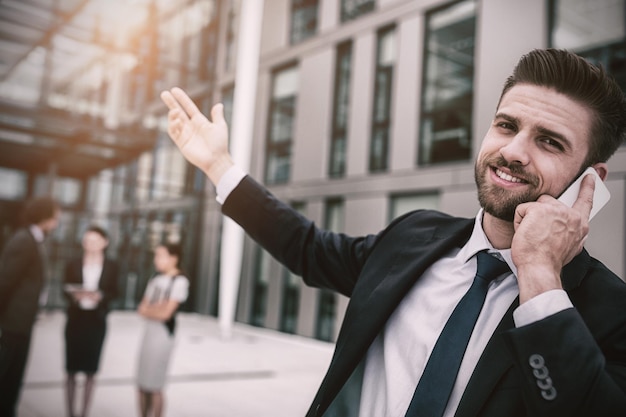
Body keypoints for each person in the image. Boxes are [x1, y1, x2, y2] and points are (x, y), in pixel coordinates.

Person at [160, 48, 626, 417]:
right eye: (506, 125)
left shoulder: (611, 313)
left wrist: (540, 275)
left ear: (592, 180)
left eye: (549, 141)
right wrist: (218, 166)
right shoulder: (414, 236)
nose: (514, 151)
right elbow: (307, 248)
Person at [0, 196, 60, 417]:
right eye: (55, 218)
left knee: (13, 378)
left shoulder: (34, 240)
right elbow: (5, 282)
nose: (56, 223)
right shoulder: (23, 240)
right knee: (6, 375)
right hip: (12, 324)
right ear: (44, 217)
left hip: (22, 323)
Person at [63, 225, 119, 417]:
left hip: (96, 321)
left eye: (95, 241)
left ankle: (84, 412)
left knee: (90, 370)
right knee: (71, 368)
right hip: (76, 319)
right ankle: (70, 412)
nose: (90, 245)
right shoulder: (73, 263)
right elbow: (64, 288)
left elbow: (115, 291)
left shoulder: (112, 266)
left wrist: (101, 296)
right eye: (87, 241)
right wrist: (74, 295)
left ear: (105, 243)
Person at [136, 242, 189, 417]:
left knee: (155, 384)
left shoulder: (179, 281)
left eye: (161, 255)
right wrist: (157, 308)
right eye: (156, 255)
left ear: (174, 258)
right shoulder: (155, 279)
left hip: (163, 336)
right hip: (149, 334)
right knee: (142, 383)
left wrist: (155, 309)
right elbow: (142, 309)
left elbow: (166, 314)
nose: (156, 260)